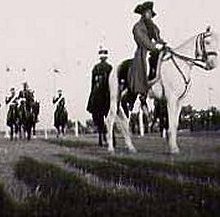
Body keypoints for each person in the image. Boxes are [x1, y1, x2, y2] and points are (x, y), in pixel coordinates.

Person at [128, 1, 165, 95]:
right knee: (147, 63)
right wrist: (154, 46)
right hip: (143, 51)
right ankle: (146, 84)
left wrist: (162, 43)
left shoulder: (153, 26)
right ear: (143, 14)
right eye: (147, 13)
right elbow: (143, 40)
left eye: (150, 13)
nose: (149, 15)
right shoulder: (137, 27)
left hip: (154, 49)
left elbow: (157, 37)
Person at [86, 47, 112, 146]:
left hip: (98, 93)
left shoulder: (96, 67)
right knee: (110, 116)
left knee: (97, 116)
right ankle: (107, 137)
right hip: (106, 93)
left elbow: (92, 83)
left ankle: (101, 138)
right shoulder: (109, 67)